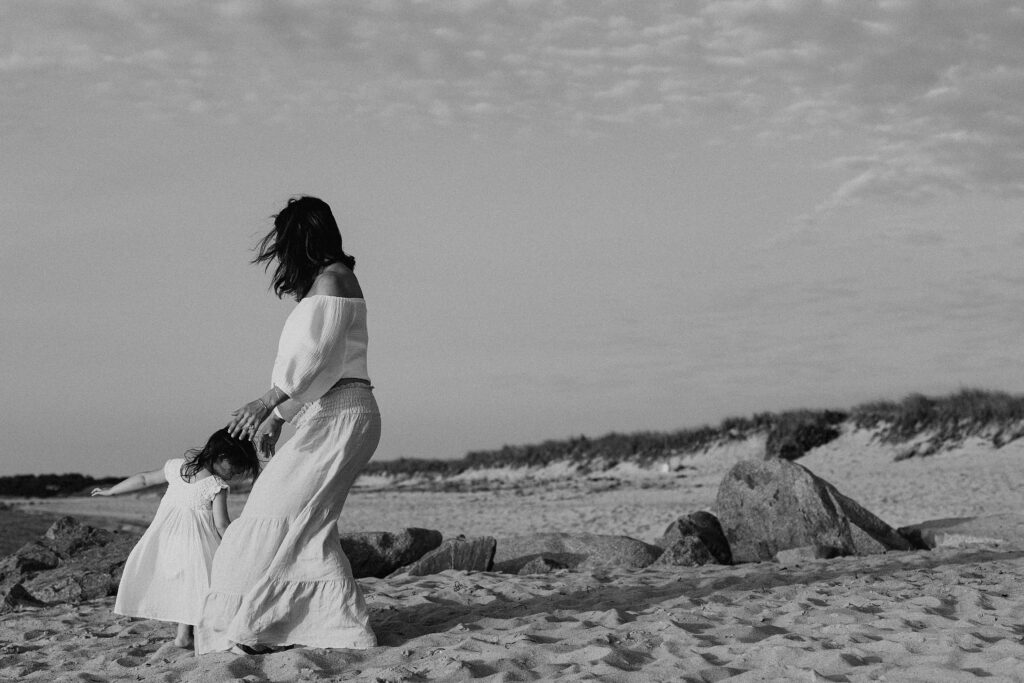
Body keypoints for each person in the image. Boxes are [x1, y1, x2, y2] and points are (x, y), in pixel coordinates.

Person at [196, 195, 382, 655]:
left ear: (302, 237)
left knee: (275, 516)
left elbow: (315, 356)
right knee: (295, 522)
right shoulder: (329, 281)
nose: (280, 251)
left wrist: (267, 402)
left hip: (345, 415)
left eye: (284, 241)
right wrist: (280, 416)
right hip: (332, 412)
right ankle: (312, 624)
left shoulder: (335, 279)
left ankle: (280, 624)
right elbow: (323, 369)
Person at [91, 429, 261, 649]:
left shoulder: (177, 467)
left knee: (185, 588)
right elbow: (221, 524)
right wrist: (236, 548)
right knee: (203, 588)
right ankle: (202, 636)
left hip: (167, 541)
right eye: (236, 467)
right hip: (198, 546)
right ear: (222, 457)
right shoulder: (216, 486)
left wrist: (112, 491)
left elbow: (144, 479)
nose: (236, 473)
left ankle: (183, 637)